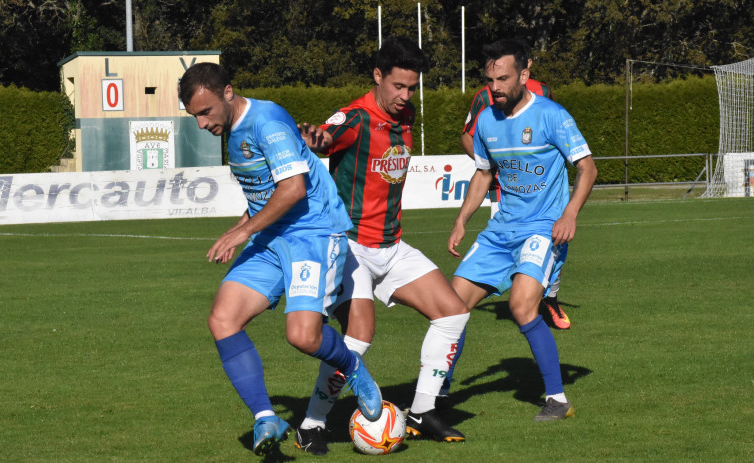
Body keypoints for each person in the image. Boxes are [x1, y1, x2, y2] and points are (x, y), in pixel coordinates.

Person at [178, 62, 383, 457]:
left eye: (205, 112)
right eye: (194, 117)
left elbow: (292, 190)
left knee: (302, 336)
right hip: (273, 237)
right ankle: (265, 416)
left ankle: (354, 369)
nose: (202, 124)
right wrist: (242, 228)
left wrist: (242, 232)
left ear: (228, 93)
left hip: (312, 235)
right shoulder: (234, 131)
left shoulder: (267, 122)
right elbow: (264, 193)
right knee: (223, 319)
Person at [294, 36, 470, 455]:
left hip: (391, 246)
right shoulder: (354, 118)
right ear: (377, 76)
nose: (405, 96)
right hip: (351, 247)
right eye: (398, 86)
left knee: (453, 312)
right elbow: (324, 135)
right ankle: (312, 423)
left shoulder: (405, 116)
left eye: (412, 87)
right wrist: (313, 138)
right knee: (359, 336)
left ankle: (423, 410)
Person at [447, 39, 597, 421]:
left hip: (543, 229)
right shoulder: (486, 120)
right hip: (501, 230)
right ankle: (437, 391)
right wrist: (463, 220)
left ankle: (557, 399)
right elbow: (484, 173)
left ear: (524, 75)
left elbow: (587, 168)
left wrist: (570, 215)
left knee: (521, 305)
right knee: (450, 308)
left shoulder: (551, 115)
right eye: (490, 79)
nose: (494, 87)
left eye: (503, 78)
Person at [459, 50, 569, 331]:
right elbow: (467, 135)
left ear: (526, 68)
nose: (497, 85)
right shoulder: (486, 96)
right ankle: (522, 297)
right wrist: (496, 161)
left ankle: (549, 298)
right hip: (504, 191)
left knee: (548, 252)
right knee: (507, 244)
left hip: (544, 200)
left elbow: (554, 137)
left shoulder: (544, 94)